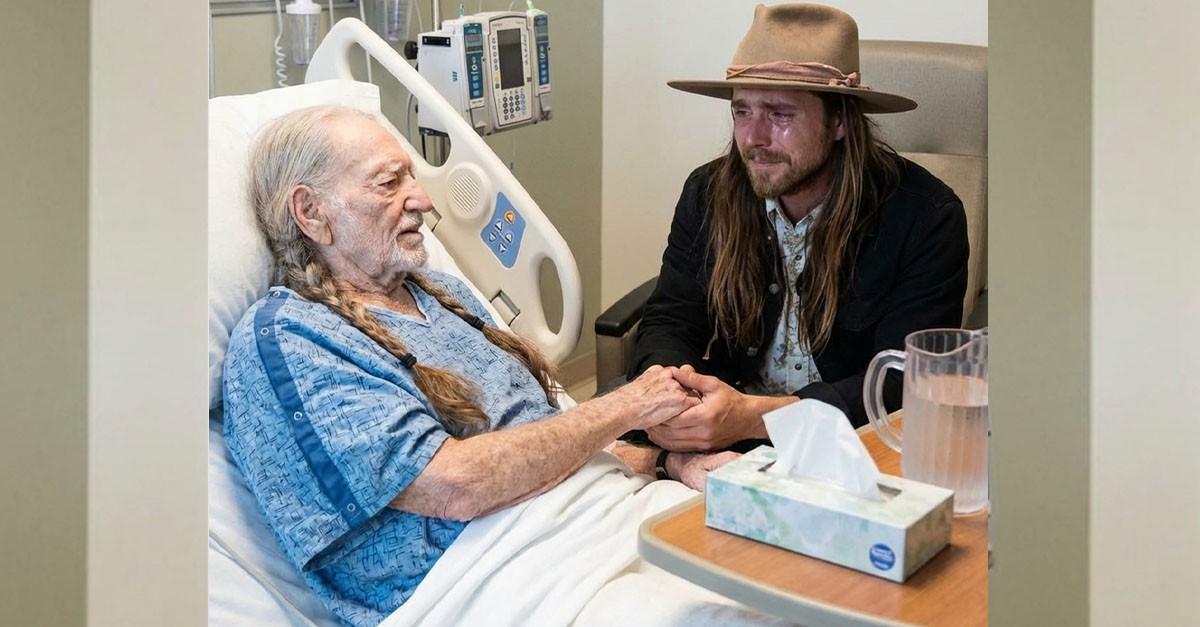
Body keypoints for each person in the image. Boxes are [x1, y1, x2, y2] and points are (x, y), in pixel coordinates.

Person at [221, 105, 744, 626]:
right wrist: (625, 406)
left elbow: (543, 446)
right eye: (389, 182)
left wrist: (666, 465)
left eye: (413, 177)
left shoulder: (442, 296)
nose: (421, 199)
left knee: (789, 575)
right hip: (503, 580)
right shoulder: (290, 337)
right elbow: (456, 485)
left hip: (605, 520)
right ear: (311, 213)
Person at [628, 3, 969, 452]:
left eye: (780, 114)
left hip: (852, 439)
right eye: (742, 111)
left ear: (840, 122)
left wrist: (754, 418)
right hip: (724, 420)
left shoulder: (926, 216)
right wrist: (669, 397)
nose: (754, 138)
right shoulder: (708, 191)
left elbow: (902, 383)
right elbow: (672, 319)